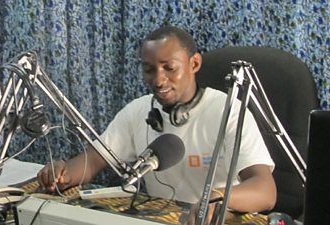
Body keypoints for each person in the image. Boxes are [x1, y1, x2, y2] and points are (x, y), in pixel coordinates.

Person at [37, 26, 277, 224]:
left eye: (169, 68)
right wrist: (62, 173)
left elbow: (266, 191)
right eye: (149, 70)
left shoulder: (229, 111)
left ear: (194, 64)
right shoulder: (139, 111)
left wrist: (215, 198)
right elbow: (92, 162)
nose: (159, 80)